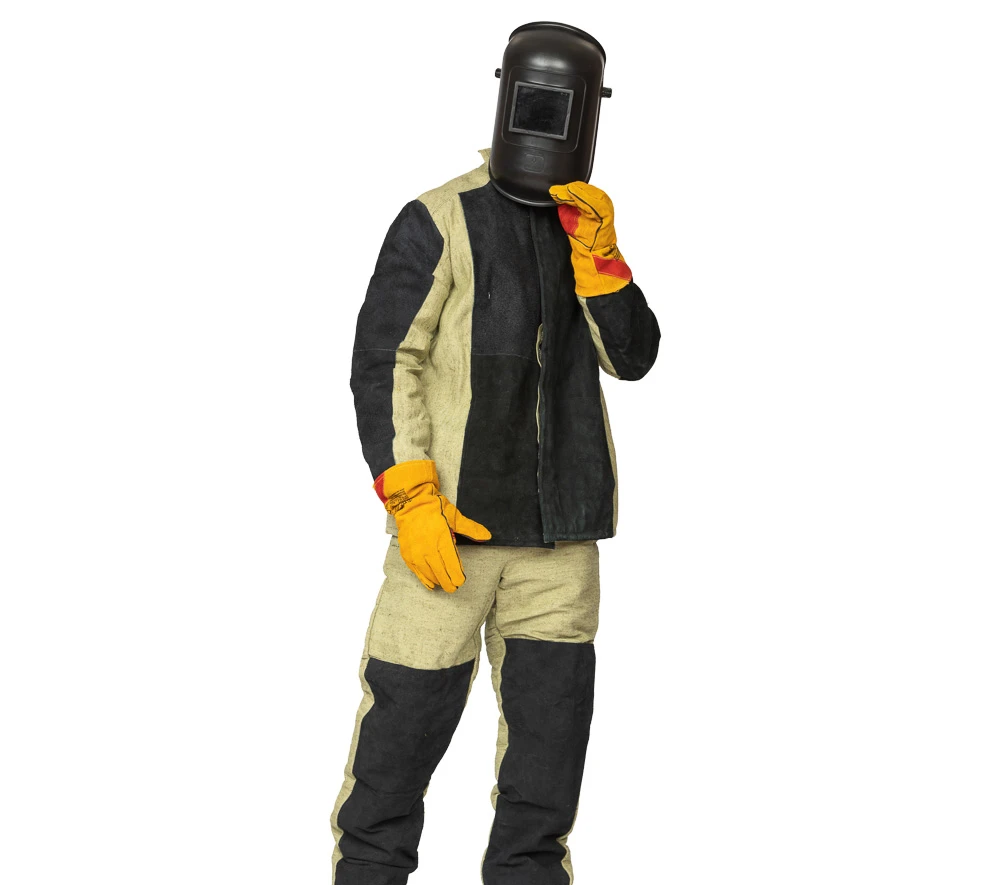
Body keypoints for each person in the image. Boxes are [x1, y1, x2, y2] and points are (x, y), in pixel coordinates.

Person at [330, 22, 660, 885]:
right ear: (507, 96)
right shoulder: (437, 219)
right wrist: (409, 495)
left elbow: (632, 357)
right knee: (401, 733)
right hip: (446, 532)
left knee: (549, 755)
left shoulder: (584, 227)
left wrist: (604, 262)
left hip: (561, 545)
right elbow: (384, 360)